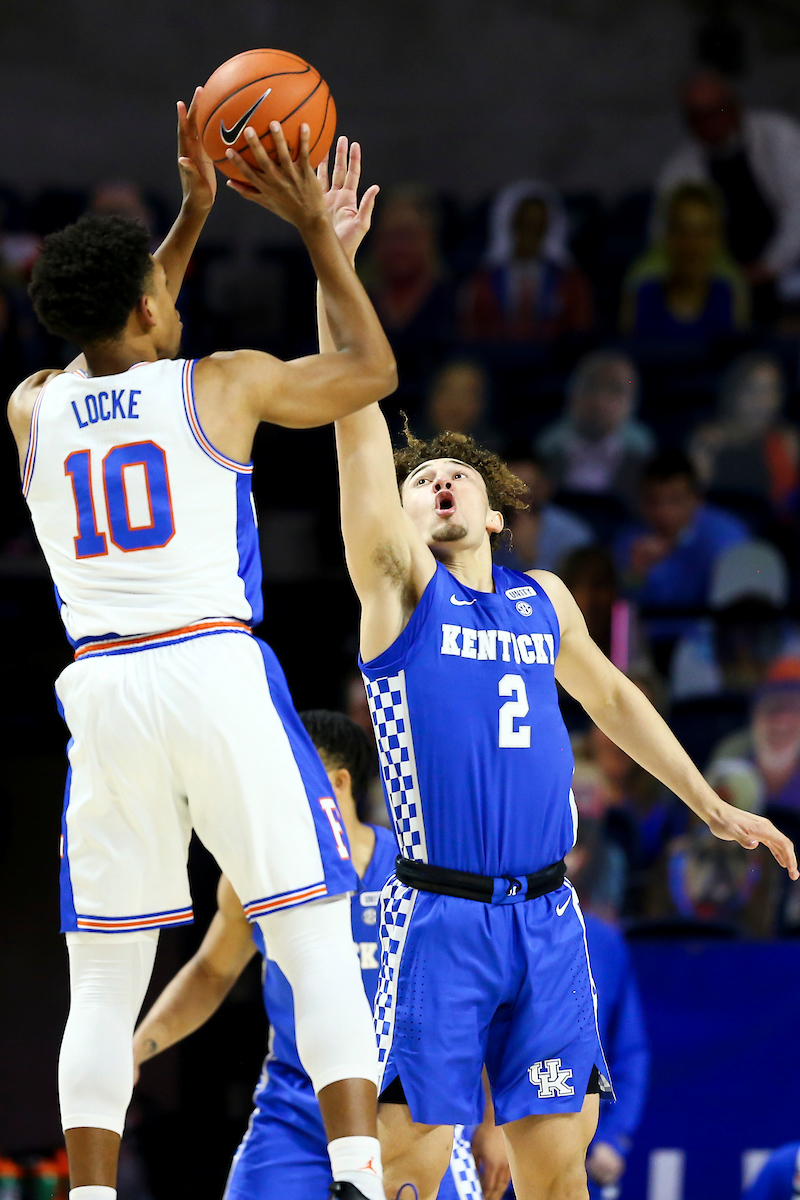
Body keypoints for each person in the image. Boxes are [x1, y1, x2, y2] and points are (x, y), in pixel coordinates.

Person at [318, 137, 797, 1200]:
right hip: (434, 911)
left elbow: (616, 699)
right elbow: (356, 427)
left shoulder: (543, 603)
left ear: (493, 507)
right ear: (400, 520)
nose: (434, 484)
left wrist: (710, 805)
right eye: (419, 481)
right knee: (405, 1170)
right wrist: (330, 265)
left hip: (544, 913)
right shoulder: (398, 592)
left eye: (454, 476)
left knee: (553, 1168)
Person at [8, 98, 397, 1200]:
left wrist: (186, 215)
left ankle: (85, 1194)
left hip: (105, 689)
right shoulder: (218, 384)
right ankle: (361, 1180)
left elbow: (117, 329)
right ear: (147, 301)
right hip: (211, 666)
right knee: (312, 929)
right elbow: (368, 370)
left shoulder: (31, 408)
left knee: (105, 974)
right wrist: (318, 233)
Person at [132, 711, 487, 1200]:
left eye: (291, 775)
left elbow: (474, 1005)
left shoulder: (423, 875)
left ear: (338, 783)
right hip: (297, 1110)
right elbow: (212, 972)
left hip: (411, 1109)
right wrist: (135, 1048)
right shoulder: (257, 874)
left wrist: (491, 1121)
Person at [656, 70, 800, 305]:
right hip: (720, 285)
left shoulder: (778, 136)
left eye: (717, 111)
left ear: (735, 107)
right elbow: (664, 235)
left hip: (790, 270)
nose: (711, 122)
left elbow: (798, 208)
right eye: (698, 116)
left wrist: (769, 267)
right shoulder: (678, 171)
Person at [563, 827, 650, 1198]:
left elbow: (630, 1052)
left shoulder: (605, 942)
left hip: (579, 1148)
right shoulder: (491, 929)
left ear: (579, 858)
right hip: (494, 1140)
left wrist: (613, 1138)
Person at [615, 449, 748, 624]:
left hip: (706, 644)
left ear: (697, 500)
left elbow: (735, 609)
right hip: (646, 644)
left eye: (675, 500)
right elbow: (622, 618)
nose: (663, 513)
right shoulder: (628, 542)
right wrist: (636, 574)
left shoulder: (726, 537)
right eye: (653, 501)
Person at [460, 181, 593, 342]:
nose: (529, 235)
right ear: (507, 226)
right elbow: (471, 331)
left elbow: (580, 333)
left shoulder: (571, 283)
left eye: (537, 227)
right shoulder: (483, 282)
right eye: (523, 225)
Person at [622, 182, 748, 338]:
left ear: (717, 241)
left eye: (703, 233)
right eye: (682, 231)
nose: (692, 245)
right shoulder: (641, 292)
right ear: (668, 237)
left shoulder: (731, 295)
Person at [536, 351, 655, 512]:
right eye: (591, 386)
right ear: (573, 394)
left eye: (615, 390)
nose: (600, 399)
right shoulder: (547, 450)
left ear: (631, 401)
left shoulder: (643, 455)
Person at [688, 352, 799, 517]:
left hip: (774, 531)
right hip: (721, 529)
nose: (762, 401)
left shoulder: (786, 440)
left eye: (771, 390)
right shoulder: (709, 440)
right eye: (752, 390)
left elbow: (789, 504)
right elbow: (690, 502)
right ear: (734, 392)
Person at [494, 449, 594, 575]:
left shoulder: (573, 535)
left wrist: (529, 556)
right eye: (511, 492)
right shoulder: (484, 529)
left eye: (530, 489)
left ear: (546, 487)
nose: (520, 502)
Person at [421, 359, 501, 451]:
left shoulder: (501, 453)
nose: (455, 402)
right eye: (447, 390)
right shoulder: (406, 453)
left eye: (467, 393)